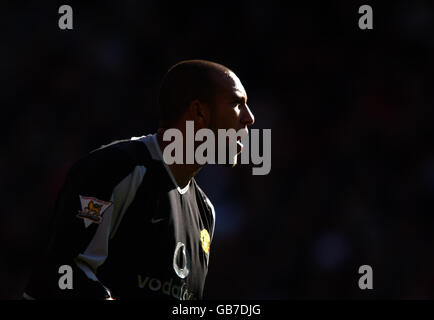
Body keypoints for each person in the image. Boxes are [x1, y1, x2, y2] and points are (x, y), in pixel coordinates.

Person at [23, 60, 255, 300]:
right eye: (237, 104)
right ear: (198, 112)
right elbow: (60, 274)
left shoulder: (205, 211)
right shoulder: (114, 170)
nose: (249, 118)